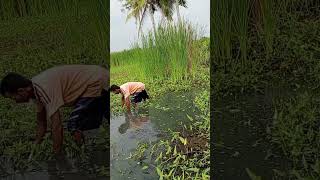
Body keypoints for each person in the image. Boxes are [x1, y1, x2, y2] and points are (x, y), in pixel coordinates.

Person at [0, 65, 109, 155]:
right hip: (97, 78)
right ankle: (97, 151)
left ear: (21, 91)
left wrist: (56, 155)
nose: (15, 101)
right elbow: (41, 122)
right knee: (96, 119)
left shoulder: (43, 88)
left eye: (13, 97)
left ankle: (85, 155)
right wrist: (36, 144)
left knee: (74, 124)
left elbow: (56, 125)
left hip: (94, 82)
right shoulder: (35, 90)